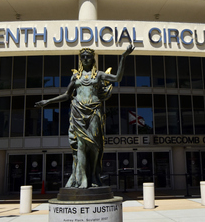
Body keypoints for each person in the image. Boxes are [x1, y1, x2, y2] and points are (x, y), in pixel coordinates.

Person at [36, 45, 134, 189]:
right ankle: (82, 180)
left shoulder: (99, 75)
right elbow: (66, 95)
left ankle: (94, 175)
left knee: (95, 146)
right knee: (81, 146)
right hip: (78, 113)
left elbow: (117, 78)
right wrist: (48, 101)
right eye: (83, 56)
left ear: (93, 59)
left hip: (94, 111)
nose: (86, 58)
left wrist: (123, 57)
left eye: (89, 56)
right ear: (80, 59)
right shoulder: (76, 76)